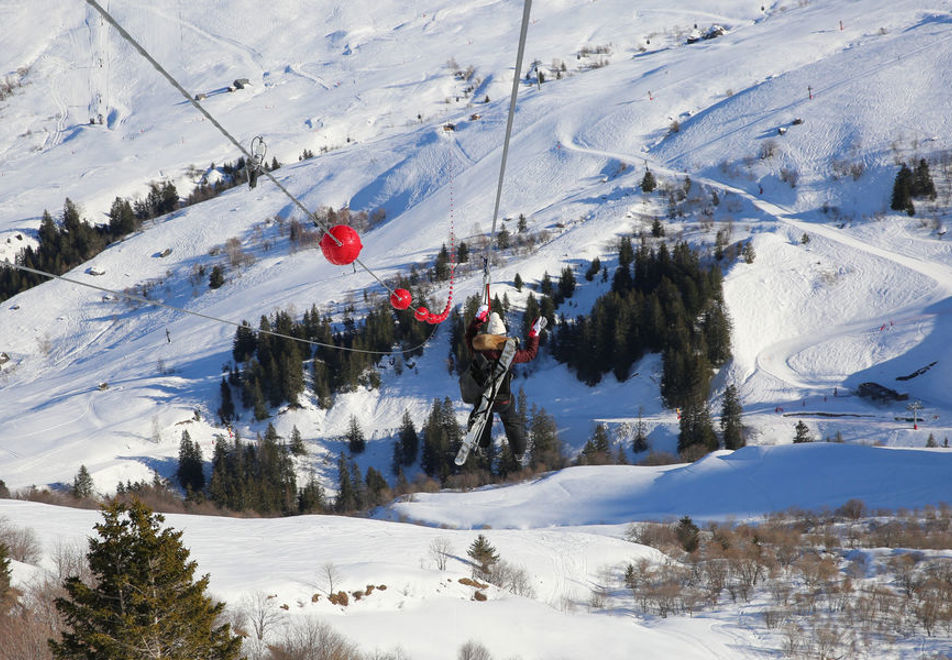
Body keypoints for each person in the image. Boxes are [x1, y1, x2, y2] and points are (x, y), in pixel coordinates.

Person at [465, 305, 543, 459]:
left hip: (482, 398)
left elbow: (469, 336)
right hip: (503, 398)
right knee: (511, 421)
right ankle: (519, 452)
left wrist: (478, 319)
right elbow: (530, 354)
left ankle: (482, 445)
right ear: (503, 335)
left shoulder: (478, 348)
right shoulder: (510, 353)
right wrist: (534, 334)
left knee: (481, 416)